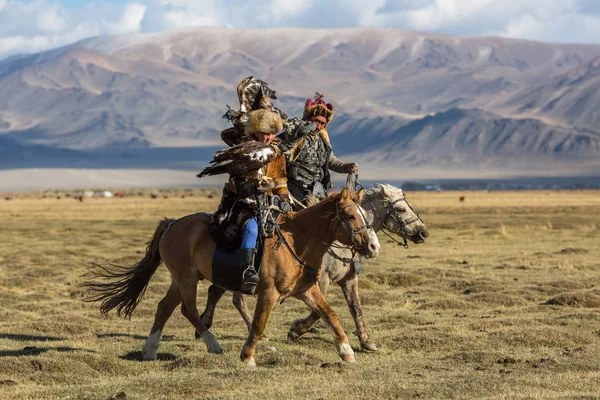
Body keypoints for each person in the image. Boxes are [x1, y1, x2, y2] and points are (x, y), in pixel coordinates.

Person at [211, 108, 290, 294]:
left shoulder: (276, 153)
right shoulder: (244, 148)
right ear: (256, 132)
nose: (269, 137)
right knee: (252, 227)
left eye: (272, 133)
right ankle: (247, 270)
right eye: (265, 133)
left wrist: (284, 197)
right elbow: (235, 183)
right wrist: (253, 187)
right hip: (242, 203)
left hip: (268, 203)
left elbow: (280, 181)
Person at [281, 93, 358, 209]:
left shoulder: (323, 138)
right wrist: (298, 135)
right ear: (308, 119)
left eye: (323, 123)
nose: (319, 126)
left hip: (318, 190)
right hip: (295, 189)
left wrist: (346, 167)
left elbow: (330, 160)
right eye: (316, 121)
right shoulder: (294, 134)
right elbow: (282, 151)